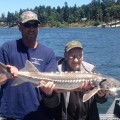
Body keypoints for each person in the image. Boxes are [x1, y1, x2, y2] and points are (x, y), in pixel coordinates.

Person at [0, 11, 60, 120]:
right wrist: (6, 72)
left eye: (35, 25)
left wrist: (48, 92)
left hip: (39, 114)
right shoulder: (7, 48)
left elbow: (52, 90)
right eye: (27, 25)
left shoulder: (48, 53)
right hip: (10, 114)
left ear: (39, 27)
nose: (31, 29)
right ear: (19, 27)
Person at [55, 40, 107, 120]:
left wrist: (101, 95)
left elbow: (100, 100)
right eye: (72, 56)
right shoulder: (58, 72)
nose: (76, 60)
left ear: (83, 56)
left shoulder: (90, 70)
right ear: (65, 56)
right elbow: (53, 103)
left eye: (79, 56)